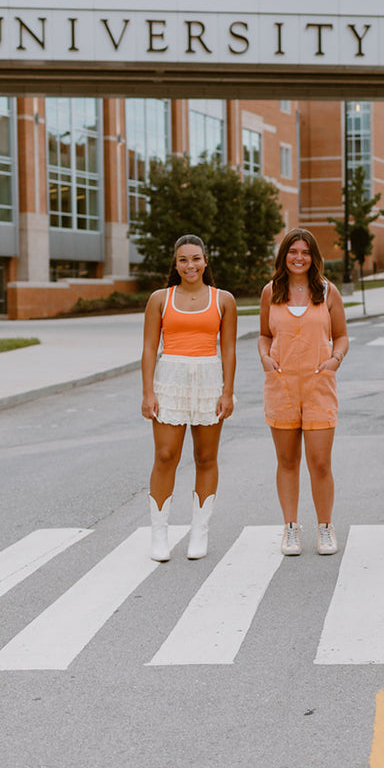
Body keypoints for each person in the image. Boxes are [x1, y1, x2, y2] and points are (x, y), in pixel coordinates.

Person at [140, 235, 237, 562]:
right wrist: (148, 392)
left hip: (209, 379)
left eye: (196, 258)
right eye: (183, 260)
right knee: (166, 455)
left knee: (206, 457)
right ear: (175, 263)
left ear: (205, 261)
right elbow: (150, 348)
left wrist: (228, 391)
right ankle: (159, 534)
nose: (190, 265)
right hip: (170, 379)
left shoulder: (223, 300)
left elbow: (229, 350)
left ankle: (200, 532)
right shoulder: (159, 299)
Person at [259, 228, 349, 556]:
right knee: (287, 461)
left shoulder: (327, 292)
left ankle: (325, 527)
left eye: (305, 252)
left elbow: (341, 335)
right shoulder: (271, 292)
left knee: (320, 462)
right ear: (284, 255)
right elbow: (263, 335)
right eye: (293, 251)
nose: (299, 257)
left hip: (318, 386)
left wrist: (334, 360)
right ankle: (291, 528)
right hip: (281, 386)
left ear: (314, 257)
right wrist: (265, 358)